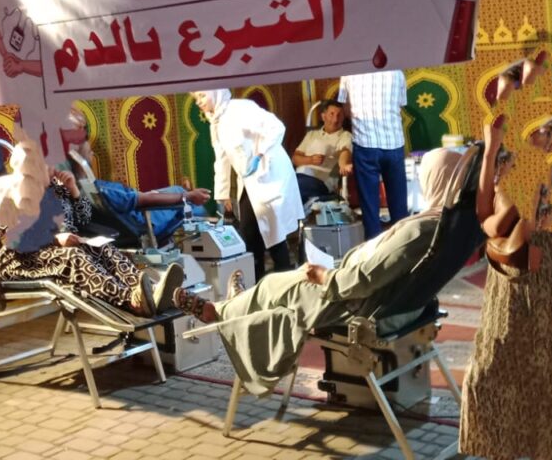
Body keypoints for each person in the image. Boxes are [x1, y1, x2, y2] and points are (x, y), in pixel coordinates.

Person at [171, 149, 466, 396]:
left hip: (353, 303)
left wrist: (326, 277)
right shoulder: (447, 226)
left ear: (435, 179)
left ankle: (219, 311)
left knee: (274, 286)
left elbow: (362, 281)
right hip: (394, 304)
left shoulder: (420, 230)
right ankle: (237, 303)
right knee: (282, 283)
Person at [458, 56, 552, 460]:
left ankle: (545, 448)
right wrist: (493, 149)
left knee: (540, 370)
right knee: (494, 370)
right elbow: (485, 217)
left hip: (539, 276)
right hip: (509, 281)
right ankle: (505, 447)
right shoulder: (507, 155)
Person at [0, 132, 183, 316]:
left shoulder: (57, 187)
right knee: (74, 257)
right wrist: (55, 240)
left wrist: (74, 191)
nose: (51, 168)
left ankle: (151, 293)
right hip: (23, 259)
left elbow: (84, 219)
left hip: (59, 250)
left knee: (104, 248)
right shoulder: (12, 192)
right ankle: (131, 301)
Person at [191, 90, 304, 280]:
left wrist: (260, 154)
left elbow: (277, 127)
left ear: (215, 92)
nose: (198, 102)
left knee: (273, 232)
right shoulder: (216, 122)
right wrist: (222, 194)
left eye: (202, 96)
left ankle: (286, 280)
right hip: (249, 182)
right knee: (250, 232)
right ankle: (257, 281)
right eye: (196, 98)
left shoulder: (241, 109)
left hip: (270, 175)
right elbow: (221, 159)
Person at [62, 109, 212, 243]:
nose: (93, 154)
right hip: (143, 222)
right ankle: (212, 236)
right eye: (90, 152)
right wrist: (189, 196)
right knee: (185, 197)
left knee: (174, 192)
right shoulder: (102, 190)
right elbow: (143, 200)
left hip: (129, 220)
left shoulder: (79, 193)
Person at [337, 70, 408, 239]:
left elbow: (345, 108)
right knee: (399, 205)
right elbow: (400, 105)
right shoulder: (397, 72)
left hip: (365, 145)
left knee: (370, 208)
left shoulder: (349, 73)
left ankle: (374, 249)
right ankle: (402, 245)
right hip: (394, 143)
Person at [291, 99, 353, 205]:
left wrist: (344, 165)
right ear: (323, 116)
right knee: (285, 185)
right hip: (299, 176)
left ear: (343, 118)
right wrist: (310, 160)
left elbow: (345, 152)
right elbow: (295, 158)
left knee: (292, 188)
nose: (335, 119)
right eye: (332, 114)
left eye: (339, 115)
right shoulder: (311, 134)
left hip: (321, 181)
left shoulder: (345, 136)